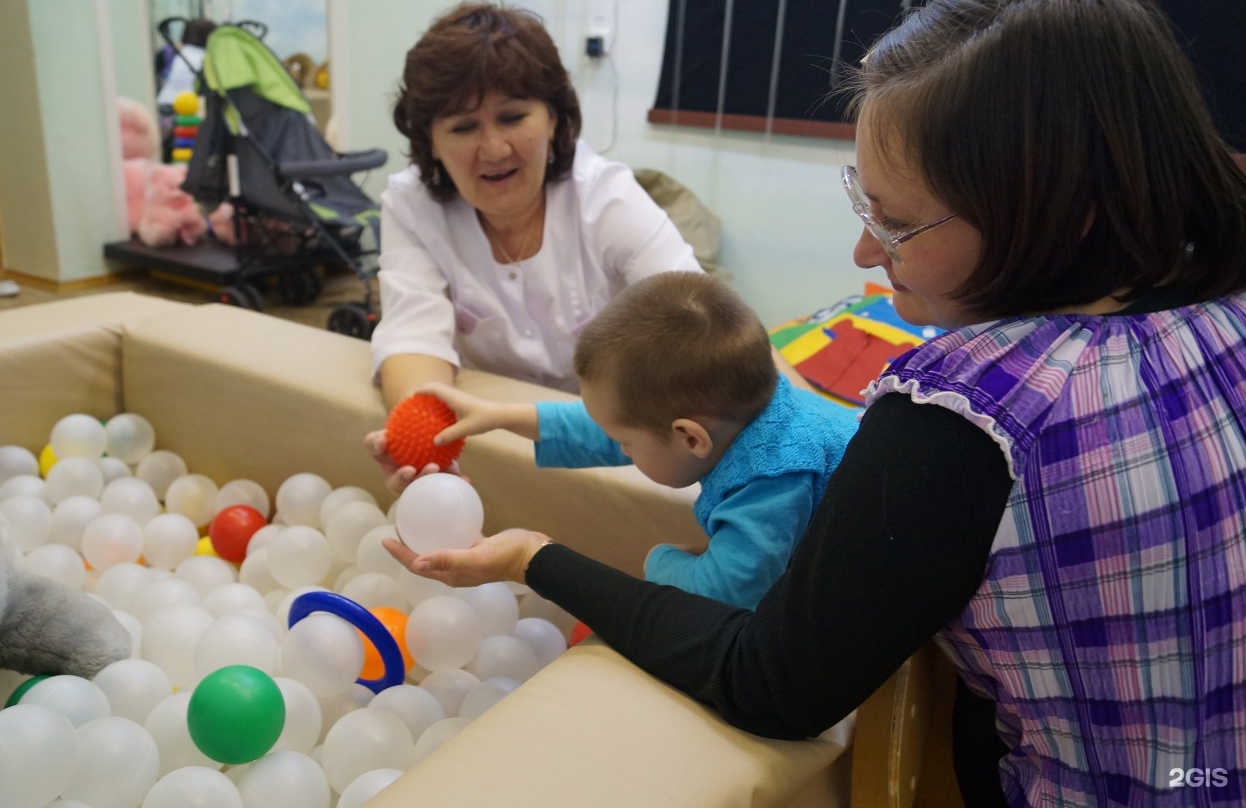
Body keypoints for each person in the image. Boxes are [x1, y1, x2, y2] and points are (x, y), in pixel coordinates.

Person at [382, 0, 1246, 805]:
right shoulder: (1221, 308)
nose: (867, 251)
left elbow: (769, 682)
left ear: (1055, 216)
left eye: (897, 221)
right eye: (860, 200)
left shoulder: (956, 423)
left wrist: (540, 557)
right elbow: (633, 414)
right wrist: (504, 417)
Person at [368, 2, 807, 489]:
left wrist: (818, 435)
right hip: (494, 426)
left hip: (612, 436)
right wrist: (425, 442)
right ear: (430, 140)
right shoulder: (411, 206)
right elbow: (413, 339)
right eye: (463, 127)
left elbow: (706, 330)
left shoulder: (605, 197)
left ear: (554, 118)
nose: (493, 149)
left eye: (513, 117)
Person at [412, 271, 856, 609]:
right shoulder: (745, 405)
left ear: (690, 437)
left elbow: (728, 594)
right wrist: (501, 416)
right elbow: (608, 426)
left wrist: (659, 562)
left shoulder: (772, 479)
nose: (618, 447)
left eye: (626, 444)